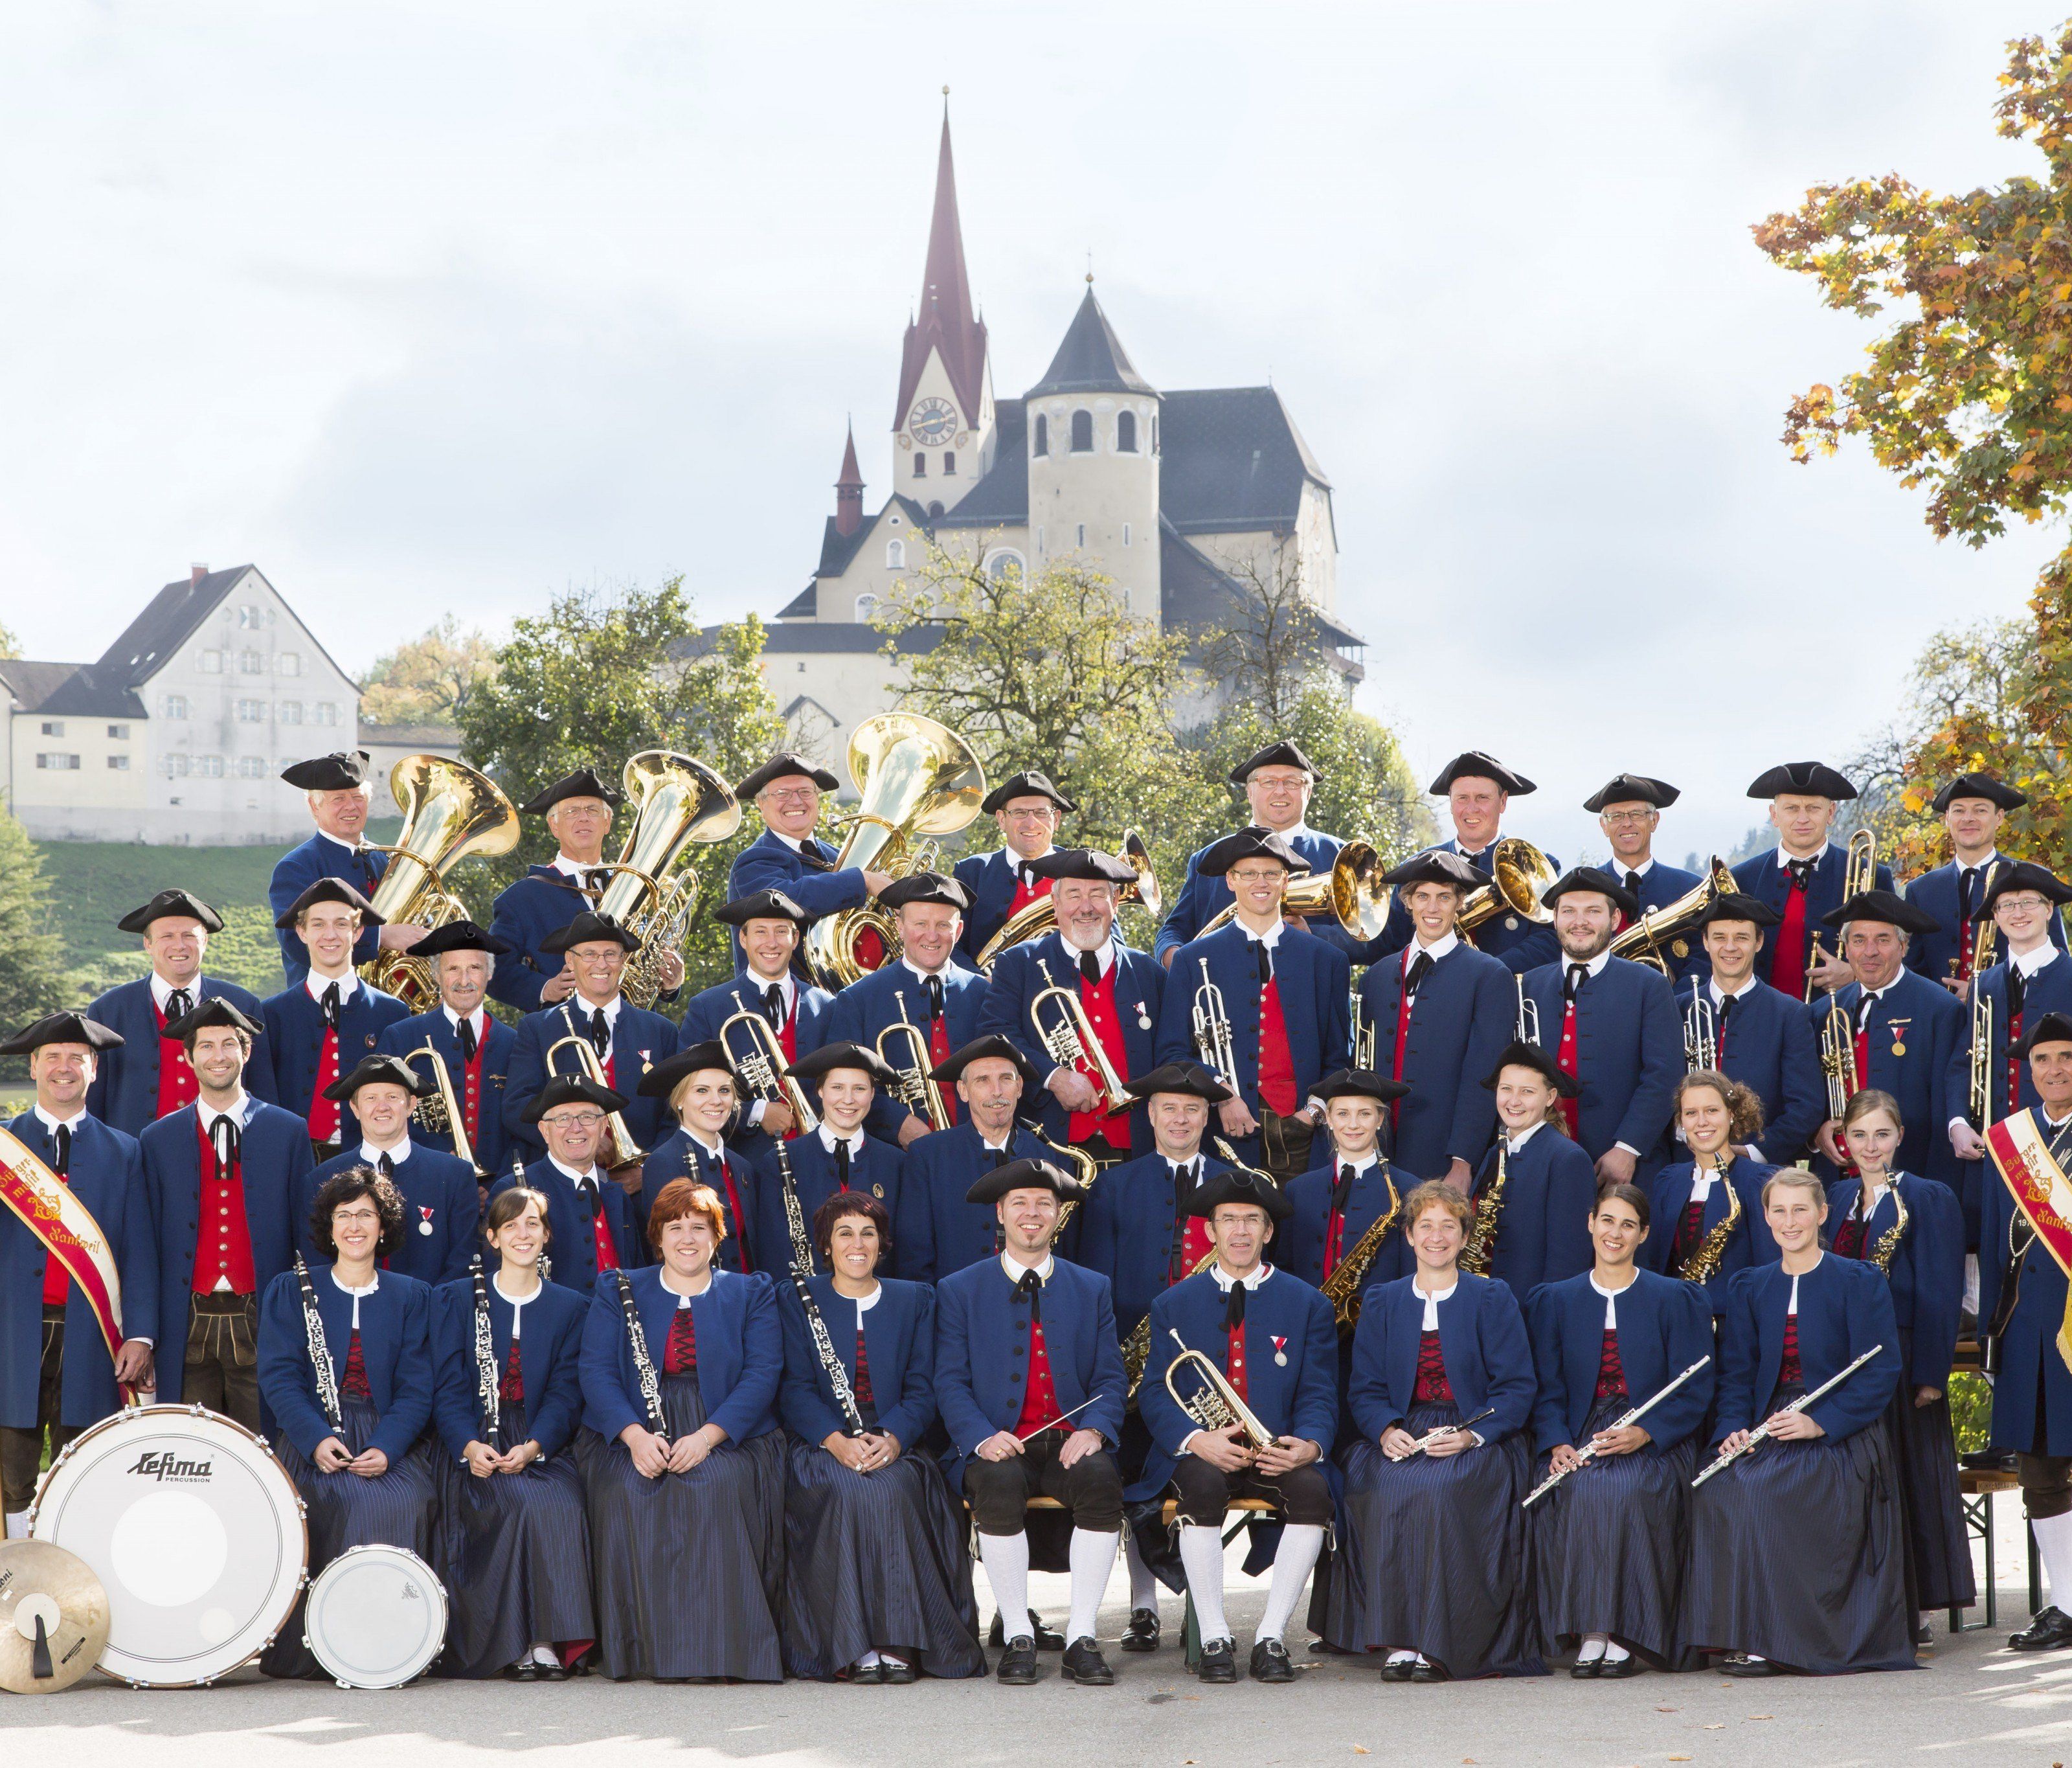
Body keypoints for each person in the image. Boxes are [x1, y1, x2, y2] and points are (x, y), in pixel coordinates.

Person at [1684, 1168, 1908, 1675]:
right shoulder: (1749, 1285)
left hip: (1839, 1432)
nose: (1790, 1221)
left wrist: (1819, 1424)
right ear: (1765, 1218)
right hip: (1769, 1425)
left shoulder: (1860, 1280)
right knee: (1717, 1487)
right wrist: (1732, 1431)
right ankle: (1742, 1631)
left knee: (1767, 1491)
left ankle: (1780, 1639)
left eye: (1801, 1209)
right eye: (1779, 1210)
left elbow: (1880, 1373)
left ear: (1823, 1214)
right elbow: (1737, 1374)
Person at [1322, 1180, 1541, 1679]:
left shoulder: (1492, 1296)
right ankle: (1399, 1637)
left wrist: (1470, 1437)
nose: (1437, 1237)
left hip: (1478, 1432)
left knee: (1441, 1490)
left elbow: (1516, 1388)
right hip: (1405, 1429)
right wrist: (1384, 1430)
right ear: (1409, 1235)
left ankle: (1442, 1639)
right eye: (1426, 1226)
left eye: (1449, 1226)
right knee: (1381, 1484)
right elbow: (1366, 1389)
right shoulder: (1382, 1301)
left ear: (1465, 1237)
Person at [577, 1178, 787, 1683]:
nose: (687, 1238)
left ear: (718, 1236)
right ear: (658, 1236)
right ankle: (648, 1651)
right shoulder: (619, 1287)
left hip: (727, 1426)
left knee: (714, 1486)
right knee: (632, 1488)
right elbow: (597, 1370)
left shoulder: (750, 1291)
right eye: (675, 1228)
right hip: (636, 1424)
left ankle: (718, 1649)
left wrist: (708, 1437)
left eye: (700, 1227)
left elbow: (762, 1374)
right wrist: (633, 1437)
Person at [933, 1157, 1128, 1688]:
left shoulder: (1092, 1287)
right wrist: (979, 1437)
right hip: (1000, 1444)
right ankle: (1018, 1632)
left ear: (1059, 1215)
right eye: (1019, 1203)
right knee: (994, 1484)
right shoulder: (959, 1289)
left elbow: (1112, 1377)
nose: (1031, 1213)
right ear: (1000, 1213)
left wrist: (1094, 1430)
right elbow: (949, 1381)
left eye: (1044, 1203)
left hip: (1069, 1442)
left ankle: (1082, 1636)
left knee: (1102, 1479)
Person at [1136, 1169, 1337, 1684]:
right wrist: (1196, 1440)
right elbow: (1157, 1391)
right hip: (1204, 1452)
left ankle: (1271, 1637)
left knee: (1313, 1493)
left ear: (1269, 1232)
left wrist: (1308, 1447)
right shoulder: (1172, 1304)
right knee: (1200, 1488)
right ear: (1211, 1232)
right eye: (1229, 1220)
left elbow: (1318, 1391)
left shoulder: (1308, 1303)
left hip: (1275, 1450)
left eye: (1252, 1220)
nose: (1241, 1231)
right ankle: (1216, 1636)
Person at [776, 1191, 984, 1682]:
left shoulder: (915, 1299)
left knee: (892, 1489)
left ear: (882, 1243)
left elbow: (924, 1384)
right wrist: (835, 1441)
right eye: (844, 1233)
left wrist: (893, 1437)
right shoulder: (797, 1297)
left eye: (868, 1233)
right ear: (825, 1244)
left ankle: (897, 1641)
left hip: (896, 1440)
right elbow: (794, 1387)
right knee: (848, 1491)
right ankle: (853, 1644)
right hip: (822, 1443)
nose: (857, 1243)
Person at [1072, 1060, 1235, 1648]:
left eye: (1193, 1109)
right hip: (1132, 1350)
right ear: (1150, 1114)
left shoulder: (1235, 1182)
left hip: (1213, 1358)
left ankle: (1202, 1600)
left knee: (1193, 1474)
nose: (1181, 1118)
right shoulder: (1114, 1185)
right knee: (1137, 1472)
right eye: (1169, 1108)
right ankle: (1143, 1603)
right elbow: (1096, 1280)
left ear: (1207, 1116)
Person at [256, 1167, 439, 1678]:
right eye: (344, 1216)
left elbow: (417, 1386)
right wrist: (316, 1439)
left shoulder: (412, 1295)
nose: (355, 1226)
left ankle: (391, 1645)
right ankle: (330, 1646)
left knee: (408, 1498)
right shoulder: (289, 1290)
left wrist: (388, 1446)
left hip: (386, 1434)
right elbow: (280, 1378)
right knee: (334, 1497)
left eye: (366, 1214)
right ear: (329, 1227)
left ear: (384, 1227)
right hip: (312, 1434)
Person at [1525, 1184, 1715, 1676]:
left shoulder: (1676, 1298)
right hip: (1579, 1430)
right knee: (1576, 1488)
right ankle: (1592, 1630)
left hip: (1652, 1435)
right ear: (1590, 1223)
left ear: (1644, 1234)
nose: (1616, 1233)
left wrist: (1647, 1432)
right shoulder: (1556, 1300)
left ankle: (1626, 1631)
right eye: (1607, 1221)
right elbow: (1544, 1387)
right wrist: (1556, 1441)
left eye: (1628, 1224)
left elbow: (1694, 1389)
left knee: (1626, 1490)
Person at [430, 1186, 594, 1680]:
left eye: (533, 1224)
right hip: (473, 1437)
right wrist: (469, 1444)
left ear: (547, 1235)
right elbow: (447, 1386)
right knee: (516, 1502)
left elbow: (567, 1393)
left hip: (539, 1438)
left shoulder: (570, 1307)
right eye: (511, 1226)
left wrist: (536, 1446)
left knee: (560, 1501)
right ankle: (515, 1640)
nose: (523, 1234)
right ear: (492, 1237)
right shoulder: (456, 1299)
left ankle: (546, 1639)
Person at [0, 1014, 153, 1538]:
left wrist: (139, 1333)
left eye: (77, 1059)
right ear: (34, 1066)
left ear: (95, 1071)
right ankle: (14, 1577)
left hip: (91, 1333)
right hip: (12, 1330)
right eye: (53, 1057)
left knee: (84, 1462)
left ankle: (77, 1578)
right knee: (10, 1465)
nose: (65, 1068)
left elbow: (139, 1251)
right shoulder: (4, 1147)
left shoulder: (126, 1151)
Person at [1825, 1090, 1972, 1623]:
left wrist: (1932, 1372)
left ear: (1901, 1137)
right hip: (1845, 1357)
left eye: (1881, 1134)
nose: (1870, 1146)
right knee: (1860, 1475)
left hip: (1906, 1354)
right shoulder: (1835, 1200)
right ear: (1844, 1139)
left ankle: (1918, 1606)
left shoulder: (1930, 1197)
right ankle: (1864, 1596)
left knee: (1909, 1473)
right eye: (1859, 1135)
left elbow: (1940, 1287)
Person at [139, 999, 314, 1427]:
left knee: (264, 1445)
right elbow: (143, 1243)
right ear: (188, 1057)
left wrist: (307, 1316)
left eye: (229, 1045)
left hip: (262, 1316)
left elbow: (308, 1234)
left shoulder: (288, 1131)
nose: (219, 1056)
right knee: (192, 1445)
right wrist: (144, 1330)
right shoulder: (158, 1138)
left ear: (247, 1052)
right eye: (207, 1047)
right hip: (186, 1317)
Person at [1155, 827, 1349, 1179]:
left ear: (1285, 881)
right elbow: (1173, 1052)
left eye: (1271, 873)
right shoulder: (1191, 958)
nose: (1261, 882)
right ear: (1231, 881)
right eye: (1248, 874)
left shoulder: (1328, 960)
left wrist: (1313, 1114)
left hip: (1302, 1134)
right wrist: (1223, 1096)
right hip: (1222, 1132)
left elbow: (1338, 1056)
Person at [1975, 1011, 2072, 1650]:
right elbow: (1990, 1238)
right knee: (2039, 1471)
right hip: (2025, 1329)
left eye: (2065, 1057)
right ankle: (2067, 1602)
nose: (2053, 1069)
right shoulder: (2009, 1140)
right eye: (2041, 1060)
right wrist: (1991, 1333)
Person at [980, 846, 1166, 1165]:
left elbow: (1169, 1051)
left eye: (1097, 894)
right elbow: (997, 1033)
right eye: (1074, 895)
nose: (1086, 907)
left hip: (1136, 1148)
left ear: (1116, 902)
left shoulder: (1148, 971)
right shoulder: (1019, 963)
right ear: (1055, 903)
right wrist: (1053, 1077)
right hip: (1048, 1144)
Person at [1355, 852, 1513, 1186]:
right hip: (1375, 1149)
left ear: (1460, 903)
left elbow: (1484, 1075)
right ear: (1408, 901)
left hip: (1443, 1152)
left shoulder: (1489, 975)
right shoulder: (1376, 976)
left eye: (1444, 897)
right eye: (1422, 896)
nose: (1433, 908)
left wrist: (1463, 1160)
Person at [1516, 867, 1682, 1181]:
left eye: (1593, 911)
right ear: (1555, 919)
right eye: (1568, 912)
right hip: (1540, 1164)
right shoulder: (1528, 985)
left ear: (1616, 919)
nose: (1579, 922)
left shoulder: (1649, 985)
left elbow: (1665, 1075)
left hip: (1626, 1167)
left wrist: (1628, 1148)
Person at [1153, 741, 1367, 967]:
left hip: (1309, 996)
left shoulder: (1342, 856)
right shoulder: (1207, 858)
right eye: (1268, 782)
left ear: (1309, 791)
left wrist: (1313, 934)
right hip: (1222, 994)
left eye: (1293, 782)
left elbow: (1375, 941)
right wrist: (1176, 958)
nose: (1280, 790)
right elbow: (1175, 929)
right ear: (1249, 791)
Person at [1807, 890, 1965, 1190]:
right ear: (1846, 948)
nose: (1869, 952)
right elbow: (1808, 1093)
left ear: (1904, 946)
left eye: (1882, 940)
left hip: (1912, 1177)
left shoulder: (1940, 1010)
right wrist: (1815, 1134)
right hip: (1837, 1183)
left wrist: (1934, 1191)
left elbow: (1945, 1109)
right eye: (1858, 940)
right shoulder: (1823, 1011)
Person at [85, 887, 275, 1134]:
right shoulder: (108, 1010)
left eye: (189, 935)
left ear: (204, 942)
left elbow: (263, 1093)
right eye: (167, 937)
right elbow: (92, 1100)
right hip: (134, 1155)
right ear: (148, 944)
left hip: (224, 1153)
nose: (179, 946)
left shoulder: (243, 1003)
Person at [825, 873, 991, 1146]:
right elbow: (840, 1084)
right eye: (920, 924)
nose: (932, 936)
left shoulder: (983, 994)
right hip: (895, 1157)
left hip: (977, 1152)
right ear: (900, 927)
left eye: (943, 925)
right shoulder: (858, 999)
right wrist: (898, 1124)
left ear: (959, 931)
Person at [502, 911, 678, 1163]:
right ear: (570, 961)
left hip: (643, 1181)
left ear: (623, 960)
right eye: (590, 954)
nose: (602, 964)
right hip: (565, 1177)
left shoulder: (661, 1030)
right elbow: (516, 1107)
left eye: (611, 954)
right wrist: (576, 1144)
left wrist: (648, 1169)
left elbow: (675, 1113)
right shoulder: (537, 1028)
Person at [677, 889, 834, 1162]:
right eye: (760, 932)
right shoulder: (708, 1007)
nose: (771, 943)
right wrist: (756, 1112)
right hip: (746, 1161)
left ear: (795, 939)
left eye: (781, 932)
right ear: (743, 938)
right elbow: (688, 1092)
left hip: (821, 1157)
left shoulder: (827, 1005)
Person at [297, 1055, 480, 1286]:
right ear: (355, 1108)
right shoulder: (322, 1180)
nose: (382, 1107)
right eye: (371, 1098)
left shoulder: (454, 1175)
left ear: (412, 1105)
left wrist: (431, 1311)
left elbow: (463, 1261)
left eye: (393, 1097)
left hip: (433, 1313)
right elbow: (318, 1264)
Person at [262, 879, 409, 1160]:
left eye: (341, 924)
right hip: (295, 1161)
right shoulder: (272, 1014)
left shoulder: (393, 1012)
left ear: (358, 932)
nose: (330, 935)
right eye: (318, 925)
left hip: (369, 1161)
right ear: (301, 932)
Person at [1379, 751, 1562, 975]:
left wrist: (1483, 973)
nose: (1471, 809)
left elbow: (1549, 940)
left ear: (1503, 801)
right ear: (1451, 802)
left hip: (1505, 996)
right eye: (1462, 798)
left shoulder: (1536, 865)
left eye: (1482, 798)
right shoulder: (1416, 867)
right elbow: (1393, 941)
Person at [1729, 761, 1894, 1001]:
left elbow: (1896, 953)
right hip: (1762, 1020)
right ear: (1774, 815)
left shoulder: (1870, 874)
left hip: (1840, 1019)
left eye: (1813, 808)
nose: (1803, 818)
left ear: (1830, 813)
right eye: (1792, 808)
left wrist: (1855, 973)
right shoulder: (1742, 878)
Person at [488, 767, 649, 1013]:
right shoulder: (522, 897)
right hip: (561, 1031)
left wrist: (669, 982)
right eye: (572, 812)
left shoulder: (633, 887)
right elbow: (493, 968)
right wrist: (545, 988)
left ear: (607, 823)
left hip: (632, 1031)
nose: (583, 818)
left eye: (593, 811)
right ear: (554, 827)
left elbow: (644, 962)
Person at [895, 1036, 1053, 1283]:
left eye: (1006, 1079)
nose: (997, 1091)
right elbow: (913, 1257)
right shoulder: (927, 1156)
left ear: (1020, 1087)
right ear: (963, 1091)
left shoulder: (1050, 1157)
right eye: (983, 1081)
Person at [1683, 894, 1826, 1166]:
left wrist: (1752, 1152)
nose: (1730, 947)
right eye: (1719, 937)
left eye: (1741, 937)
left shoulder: (1790, 1014)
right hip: (1686, 1165)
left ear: (1758, 942)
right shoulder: (1679, 1008)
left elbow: (1805, 1107)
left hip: (1761, 1173)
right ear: (1705, 942)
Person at [374, 920, 517, 1180]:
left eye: (475, 968)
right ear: (437, 975)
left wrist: (501, 1186)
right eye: (453, 969)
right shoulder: (401, 1037)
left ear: (489, 974)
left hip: (501, 1194)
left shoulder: (514, 1043)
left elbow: (523, 1126)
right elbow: (385, 1117)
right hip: (424, 1181)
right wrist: (441, 1163)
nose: (464, 980)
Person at [267, 751, 424, 987]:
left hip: (396, 1008)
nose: (351, 807)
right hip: (325, 1009)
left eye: (358, 797)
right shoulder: (297, 866)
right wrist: (383, 936)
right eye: (339, 799)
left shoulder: (386, 860)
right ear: (314, 805)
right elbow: (296, 942)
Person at [750, 1043, 905, 1278]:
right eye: (837, 1087)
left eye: (860, 1089)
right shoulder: (781, 1162)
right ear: (820, 1091)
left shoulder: (897, 1163)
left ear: (873, 1094)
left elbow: (904, 1248)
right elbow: (774, 1249)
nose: (848, 1099)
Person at [1464, 1042, 1598, 1299]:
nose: (1514, 1101)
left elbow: (1568, 1261)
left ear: (1550, 1097)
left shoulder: (1568, 1159)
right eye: (1506, 1089)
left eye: (1527, 1091)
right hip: (1482, 1300)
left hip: (1529, 1307)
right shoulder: (1496, 1152)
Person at [1640, 1072, 1778, 1319]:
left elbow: (1770, 1270)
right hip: (1677, 1321)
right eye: (1691, 1113)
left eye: (1712, 1110)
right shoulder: (1668, 1181)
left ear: (1732, 1114)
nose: (1701, 1122)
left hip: (1736, 1327)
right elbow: (1653, 1262)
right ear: (1681, 1121)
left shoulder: (1762, 1182)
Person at [1904, 771, 2059, 990]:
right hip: (1941, 1018)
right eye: (1959, 811)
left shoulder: (2034, 878)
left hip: (2014, 1016)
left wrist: (1987, 991)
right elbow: (1911, 970)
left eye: (1980, 810)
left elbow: (2056, 964)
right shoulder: (1920, 890)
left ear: (1999, 818)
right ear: (1947, 819)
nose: (1969, 818)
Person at [493, 1077, 644, 1298]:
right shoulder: (512, 1189)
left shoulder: (616, 1193)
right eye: (563, 1119)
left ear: (603, 1127)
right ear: (544, 1130)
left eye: (587, 1117)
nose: (576, 1128)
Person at [1281, 1069, 1417, 1297]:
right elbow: (1285, 1268)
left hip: (1377, 1322)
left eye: (1364, 1114)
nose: (1353, 1125)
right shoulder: (1299, 1189)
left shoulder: (1408, 1188)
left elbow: (1412, 1275)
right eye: (1343, 1114)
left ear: (1380, 1119)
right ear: (1330, 1120)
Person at [726, 752, 894, 931]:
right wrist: (863, 880)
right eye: (782, 794)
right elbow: (779, 902)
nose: (796, 801)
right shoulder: (752, 861)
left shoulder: (840, 856)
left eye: (805, 792)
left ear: (817, 798)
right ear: (761, 803)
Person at [634, 1041, 759, 1273]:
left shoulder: (742, 1166)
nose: (716, 1101)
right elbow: (664, 1252)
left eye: (724, 1090)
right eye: (702, 1090)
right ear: (679, 1100)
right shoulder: (663, 1162)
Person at [1581, 773, 1706, 984]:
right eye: (1616, 816)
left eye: (1637, 814)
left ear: (1654, 821)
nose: (1627, 824)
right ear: (1604, 826)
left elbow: (1702, 960)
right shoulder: (1585, 889)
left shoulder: (1690, 889)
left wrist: (1668, 1004)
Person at [953, 770, 1074, 967]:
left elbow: (1110, 943)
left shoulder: (1082, 869)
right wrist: (980, 983)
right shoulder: (971, 872)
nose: (1031, 822)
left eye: (1041, 813)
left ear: (1057, 819)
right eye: (1019, 813)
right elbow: (952, 944)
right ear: (1002, 819)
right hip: (991, 994)